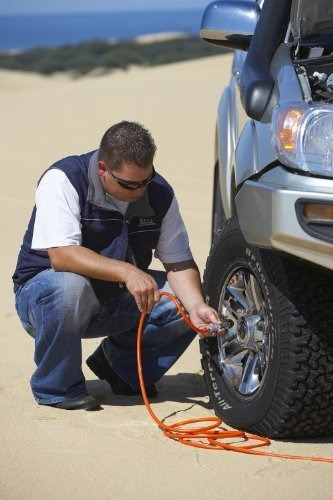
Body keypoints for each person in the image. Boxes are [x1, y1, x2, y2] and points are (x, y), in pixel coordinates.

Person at [13, 121, 224, 411]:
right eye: (129, 184)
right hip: (46, 299)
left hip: (115, 297)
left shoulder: (159, 192)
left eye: (145, 180)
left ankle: (121, 369)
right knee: (69, 286)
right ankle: (57, 387)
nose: (140, 190)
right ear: (103, 169)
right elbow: (62, 256)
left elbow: (178, 262)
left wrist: (197, 305)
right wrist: (127, 271)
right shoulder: (63, 179)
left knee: (188, 300)